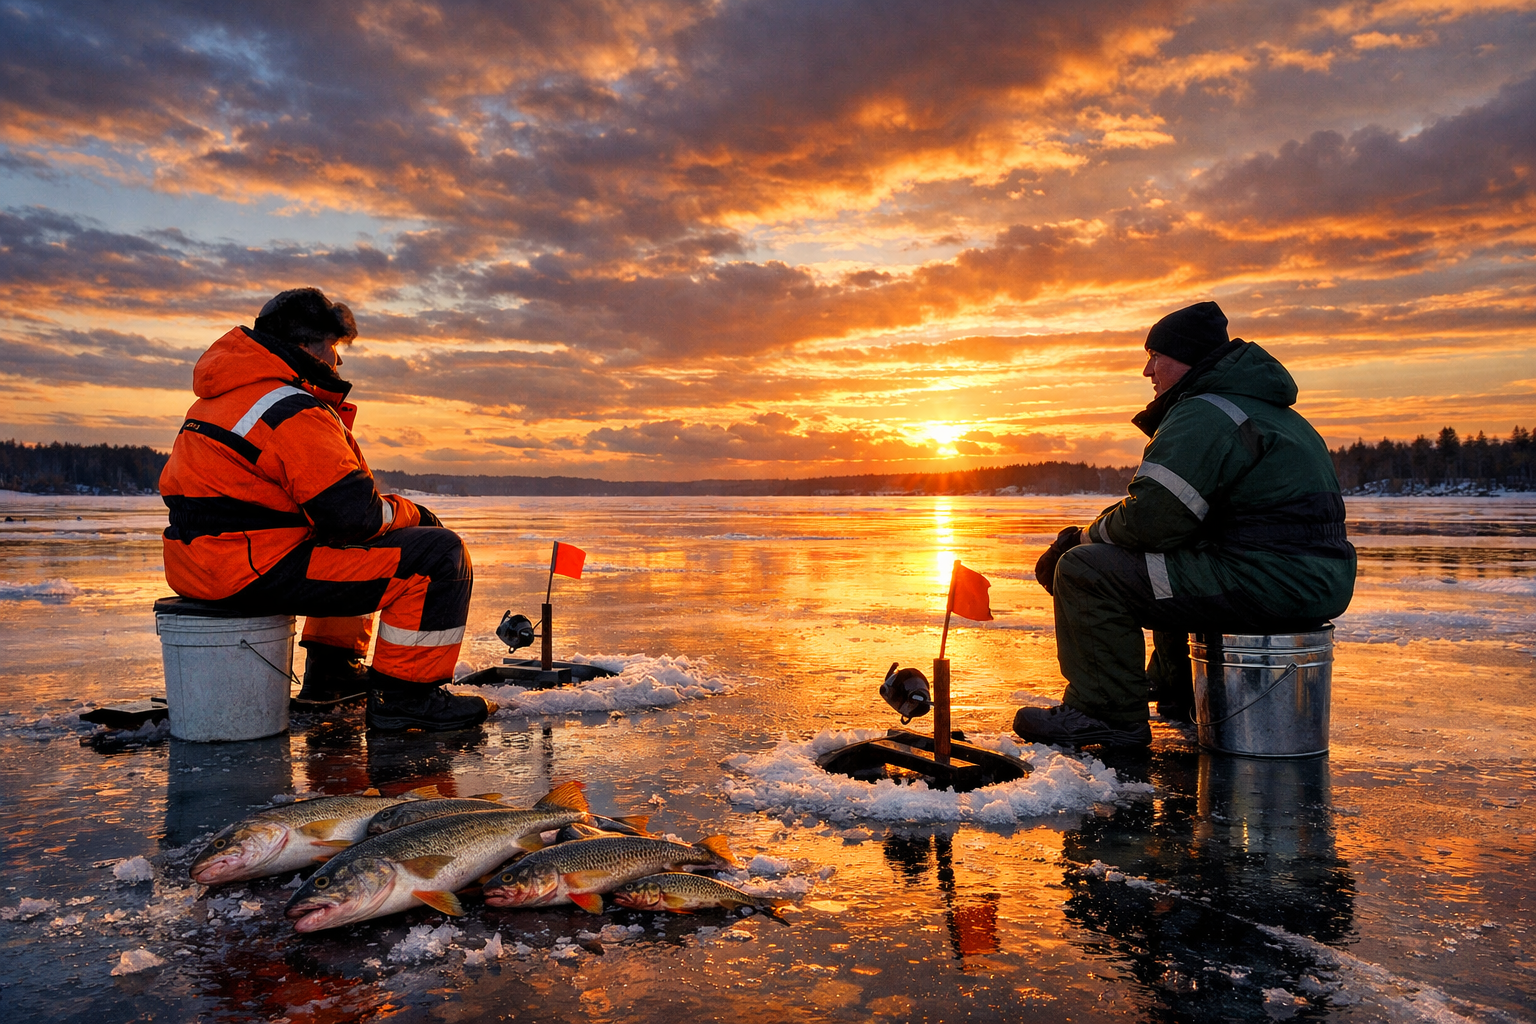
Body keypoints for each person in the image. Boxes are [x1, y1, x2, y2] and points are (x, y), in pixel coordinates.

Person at [1015, 301, 1355, 748]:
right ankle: (1176, 687)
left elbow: (1152, 518)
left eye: (1157, 357)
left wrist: (1077, 541)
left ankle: (1105, 712)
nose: (1147, 370)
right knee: (1166, 563)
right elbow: (1175, 526)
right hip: (1309, 577)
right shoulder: (1265, 410)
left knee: (1087, 571)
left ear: (1189, 359)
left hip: (1271, 578)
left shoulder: (1206, 412)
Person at [159, 288, 496, 732]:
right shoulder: (289, 408)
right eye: (333, 347)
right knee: (437, 556)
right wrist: (416, 515)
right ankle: (407, 696)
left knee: (354, 548)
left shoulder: (224, 399)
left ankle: (334, 674)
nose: (338, 361)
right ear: (307, 346)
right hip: (248, 566)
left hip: (206, 561)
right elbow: (353, 517)